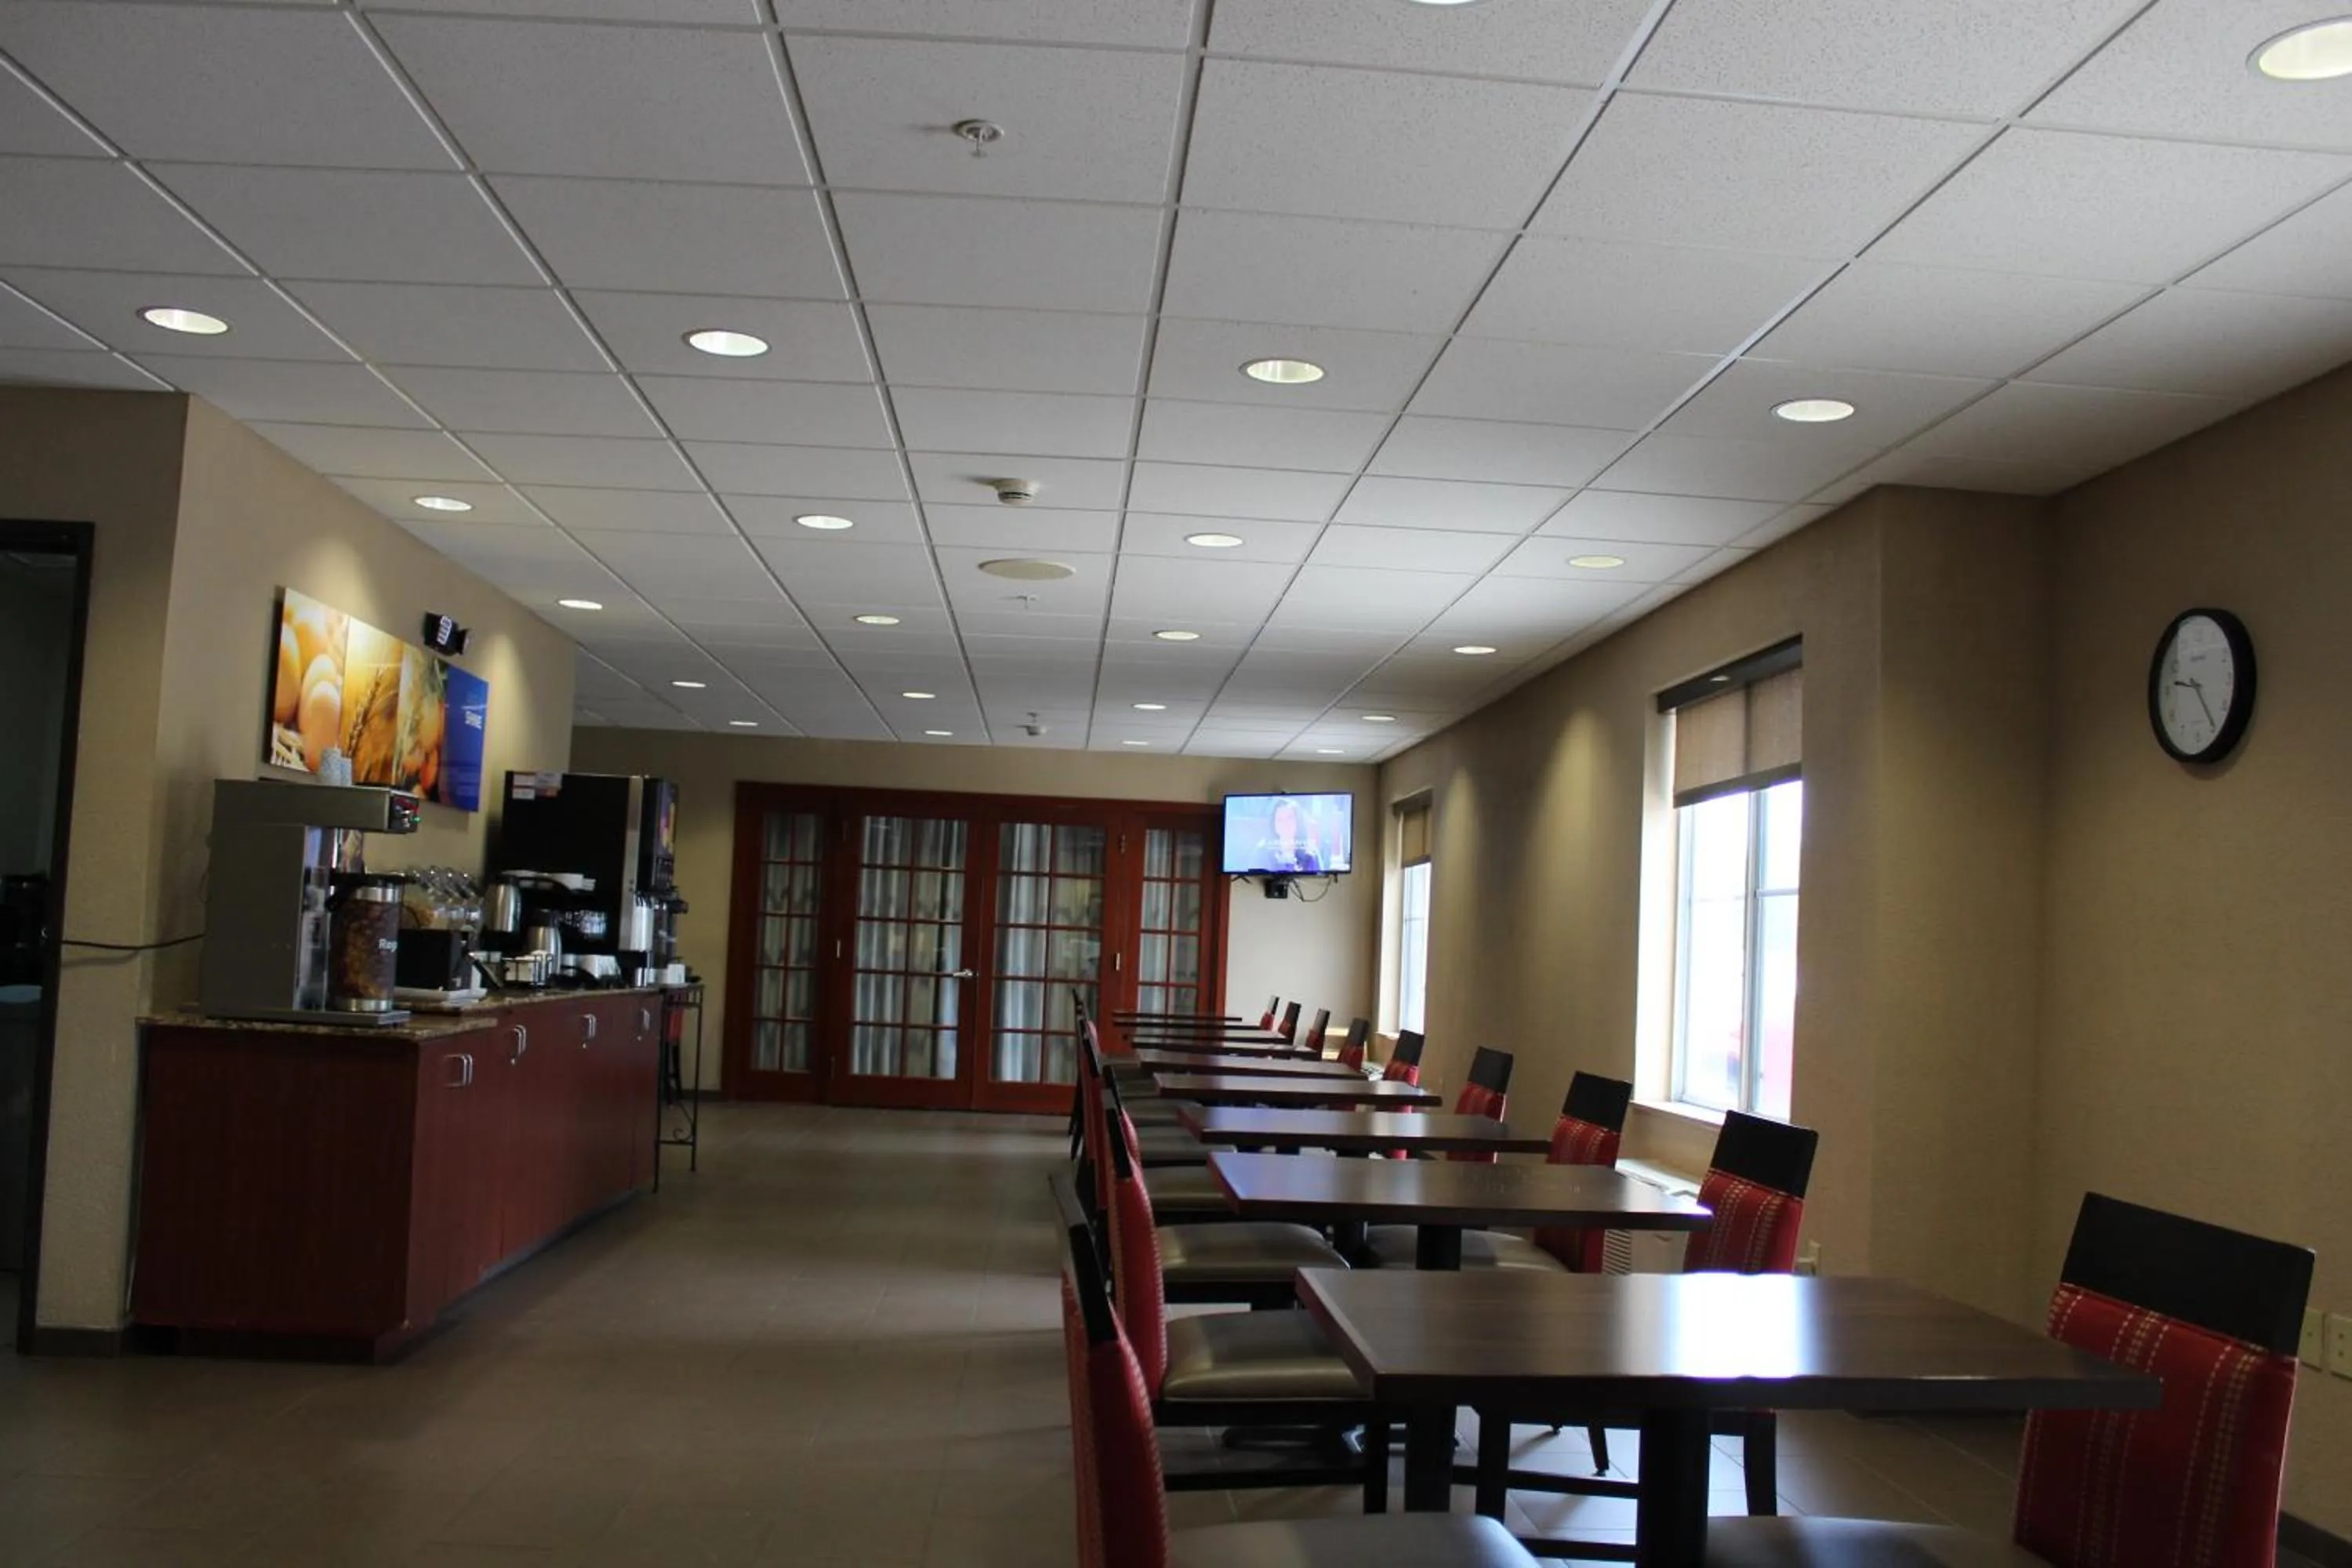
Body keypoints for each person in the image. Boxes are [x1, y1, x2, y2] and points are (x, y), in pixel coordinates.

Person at [1251, 797, 1323, 874]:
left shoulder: (1311, 851)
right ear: (1273, 824)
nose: (1285, 824)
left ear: (1298, 821)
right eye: (1280, 819)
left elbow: (1321, 879)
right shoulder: (1261, 851)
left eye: (1290, 817)